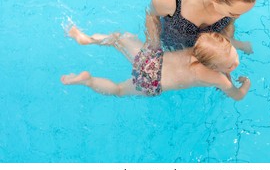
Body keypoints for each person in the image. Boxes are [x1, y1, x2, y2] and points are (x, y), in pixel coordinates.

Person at [61, 26, 251, 101]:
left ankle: (88, 39)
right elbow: (237, 96)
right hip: (152, 82)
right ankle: (88, 81)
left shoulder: (200, 46)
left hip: (152, 60)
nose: (235, 64)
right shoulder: (219, 79)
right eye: (230, 65)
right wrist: (245, 84)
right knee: (119, 89)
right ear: (215, 68)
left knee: (118, 38)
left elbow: (223, 43)